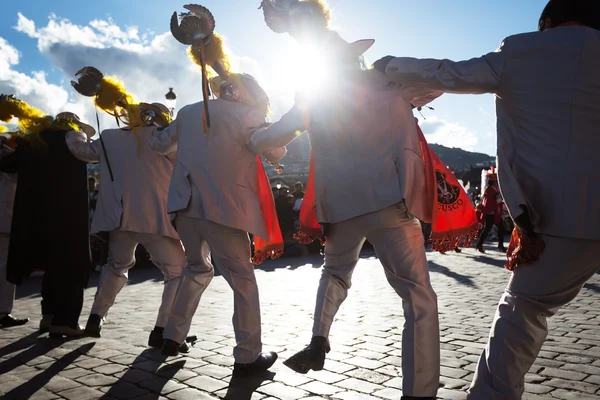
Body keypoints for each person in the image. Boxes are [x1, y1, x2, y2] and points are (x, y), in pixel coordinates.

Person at [374, 1, 600, 398]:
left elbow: (450, 73)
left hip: (563, 218)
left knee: (523, 312)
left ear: (547, 22)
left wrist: (392, 64)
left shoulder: (520, 50)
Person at [257, 3, 442, 398]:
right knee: (417, 297)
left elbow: (273, 136)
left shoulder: (314, 96)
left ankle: (319, 339)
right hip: (388, 201)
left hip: (339, 208)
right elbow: (437, 81)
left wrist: (249, 137)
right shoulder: (385, 83)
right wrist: (395, 68)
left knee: (335, 272)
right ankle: (419, 394)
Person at [150, 5, 293, 376]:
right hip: (223, 210)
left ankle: (172, 334)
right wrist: (289, 124)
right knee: (242, 280)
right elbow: (274, 147)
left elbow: (160, 145)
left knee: (196, 269)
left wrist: (153, 124)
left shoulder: (185, 112)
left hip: (183, 206)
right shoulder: (248, 116)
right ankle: (248, 355)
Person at [67, 72, 187, 347]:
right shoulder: (162, 138)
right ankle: (164, 328)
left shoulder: (109, 137)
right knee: (177, 272)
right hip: (154, 216)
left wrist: (75, 131)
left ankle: (96, 317)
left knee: (116, 265)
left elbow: (81, 152)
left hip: (119, 216)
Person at [0, 97, 93, 337]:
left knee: (52, 267)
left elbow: (8, 164)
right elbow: (90, 154)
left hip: (38, 218)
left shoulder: (33, 143)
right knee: (72, 267)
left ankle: (48, 317)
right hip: (68, 216)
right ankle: (65, 321)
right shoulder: (73, 137)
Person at [0, 134, 29, 328]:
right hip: (6, 220)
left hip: (8, 221)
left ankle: (3, 311)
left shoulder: (16, 160)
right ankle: (2, 312)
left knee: (6, 266)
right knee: (5, 266)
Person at [475, 170, 506, 253]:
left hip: (493, 212)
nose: (497, 182)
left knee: (497, 228)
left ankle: (499, 245)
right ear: (494, 182)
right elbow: (490, 202)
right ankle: (480, 244)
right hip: (491, 213)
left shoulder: (490, 189)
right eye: (496, 181)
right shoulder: (491, 190)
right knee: (488, 229)